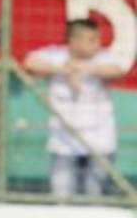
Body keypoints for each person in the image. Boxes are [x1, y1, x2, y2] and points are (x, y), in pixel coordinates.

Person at [23, 18, 126, 198]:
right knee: (61, 193)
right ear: (74, 41)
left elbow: (117, 70)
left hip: (98, 136)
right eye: (91, 39)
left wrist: (83, 68)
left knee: (95, 193)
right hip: (64, 137)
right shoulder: (57, 55)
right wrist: (63, 69)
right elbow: (30, 63)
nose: (96, 44)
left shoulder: (103, 57)